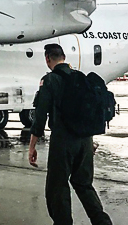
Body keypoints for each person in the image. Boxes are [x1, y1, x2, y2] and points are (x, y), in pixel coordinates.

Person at [28, 43, 112, 225]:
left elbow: (40, 117)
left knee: (57, 188)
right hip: (85, 140)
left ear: (47, 59)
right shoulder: (80, 78)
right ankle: (103, 222)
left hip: (63, 141)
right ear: (64, 57)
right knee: (83, 184)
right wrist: (90, 143)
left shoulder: (50, 80)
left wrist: (32, 146)